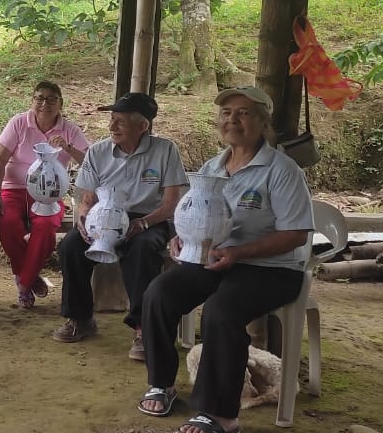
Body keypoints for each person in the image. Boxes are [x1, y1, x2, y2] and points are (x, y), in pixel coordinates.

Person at [137, 86, 313, 433]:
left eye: (244, 113)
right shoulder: (213, 167)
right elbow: (195, 214)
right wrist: (182, 235)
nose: (233, 120)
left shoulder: (281, 169)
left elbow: (296, 234)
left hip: (271, 268)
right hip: (217, 260)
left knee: (221, 310)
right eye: (226, 112)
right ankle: (162, 384)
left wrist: (240, 252)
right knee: (159, 293)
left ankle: (220, 414)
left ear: (263, 122)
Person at [51, 92, 188, 363]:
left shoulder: (165, 150)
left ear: (143, 126)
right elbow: (87, 199)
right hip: (102, 216)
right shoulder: (98, 152)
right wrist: (84, 218)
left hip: (148, 218)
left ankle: (142, 328)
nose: (112, 126)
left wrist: (144, 222)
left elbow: (172, 204)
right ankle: (80, 318)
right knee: (70, 246)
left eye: (120, 121)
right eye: (112, 119)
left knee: (143, 250)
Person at [0, 81, 89, 308]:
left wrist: (68, 148)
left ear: (61, 103)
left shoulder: (70, 130)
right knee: (7, 223)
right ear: (32, 101)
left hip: (50, 195)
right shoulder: (19, 123)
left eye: (52, 99)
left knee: (45, 227)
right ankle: (31, 275)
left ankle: (24, 281)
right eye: (40, 98)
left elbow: (90, 162)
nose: (45, 104)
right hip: (13, 188)